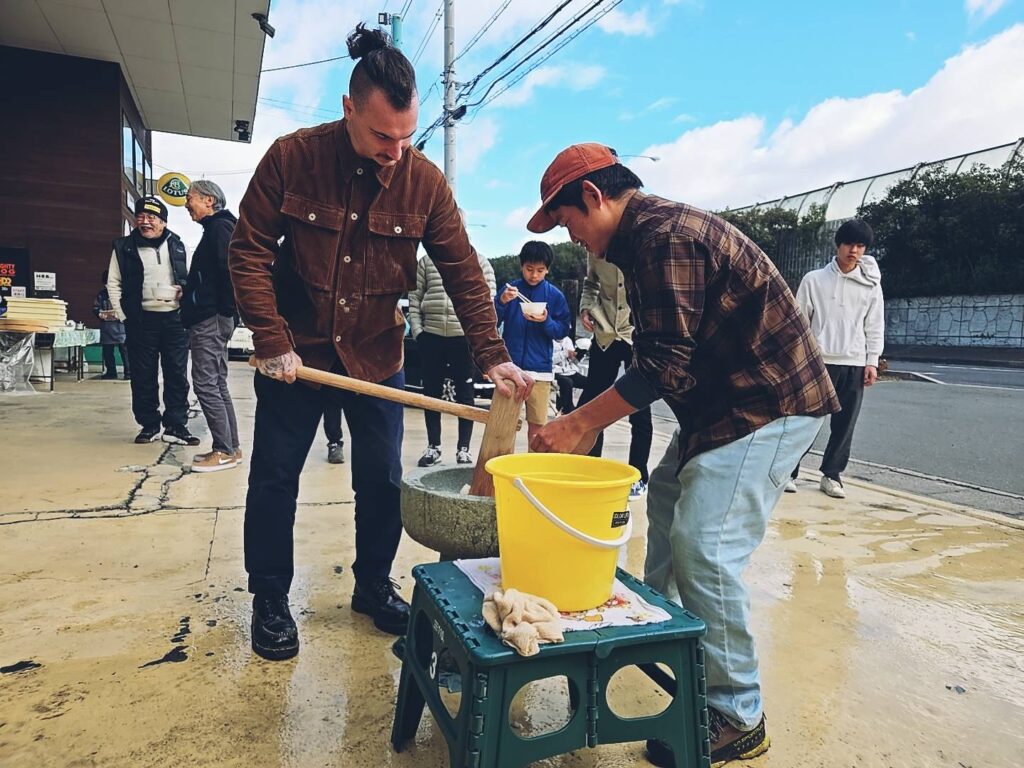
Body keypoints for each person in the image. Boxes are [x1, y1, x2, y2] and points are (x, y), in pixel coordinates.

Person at [525, 144, 839, 767]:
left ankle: (738, 714)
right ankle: (660, 637)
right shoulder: (644, 240)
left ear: (593, 196)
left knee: (705, 547)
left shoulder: (664, 238)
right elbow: (664, 356)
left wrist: (579, 423)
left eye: (568, 223)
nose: (574, 239)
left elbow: (664, 366)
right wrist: (585, 423)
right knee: (666, 502)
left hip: (766, 404)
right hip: (720, 408)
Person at [228, 24, 530, 661]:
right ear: (348, 109)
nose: (395, 150)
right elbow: (248, 250)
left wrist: (493, 355)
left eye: (405, 136)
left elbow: (463, 272)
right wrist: (272, 338)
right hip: (297, 356)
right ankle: (270, 597)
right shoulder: (292, 157)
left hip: (377, 354)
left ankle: (372, 585)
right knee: (275, 477)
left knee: (382, 480)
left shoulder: (425, 183)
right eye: (381, 136)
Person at [785, 219, 884, 498]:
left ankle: (831, 475)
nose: (854, 251)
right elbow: (800, 323)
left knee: (844, 424)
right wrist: (799, 360)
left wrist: (872, 360)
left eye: (861, 246)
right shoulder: (814, 279)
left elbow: (874, 323)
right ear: (837, 244)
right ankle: (789, 471)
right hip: (818, 362)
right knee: (804, 421)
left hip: (854, 362)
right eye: (849, 244)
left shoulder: (871, 284)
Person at [107, 196, 199, 446]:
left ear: (163, 222)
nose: (145, 221)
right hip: (140, 320)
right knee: (143, 375)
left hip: (174, 319)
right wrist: (124, 315)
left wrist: (184, 292)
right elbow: (113, 283)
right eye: (141, 216)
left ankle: (176, 425)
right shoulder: (123, 247)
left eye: (152, 217)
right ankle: (149, 424)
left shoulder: (177, 244)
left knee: (177, 373)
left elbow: (189, 279)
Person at [409, 230, 497, 467]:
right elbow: (414, 298)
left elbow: (487, 303)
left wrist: (478, 339)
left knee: (466, 395)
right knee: (431, 393)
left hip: (463, 338)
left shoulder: (481, 262)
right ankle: (433, 447)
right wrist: (418, 332)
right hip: (431, 336)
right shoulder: (425, 262)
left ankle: (464, 449)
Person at [578, 254, 653, 500]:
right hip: (605, 333)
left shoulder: (643, 246)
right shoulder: (595, 249)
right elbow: (591, 283)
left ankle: (638, 475)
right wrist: (586, 307)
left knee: (640, 409)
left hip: (637, 334)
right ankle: (589, 470)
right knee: (593, 404)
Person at [181, 180, 241, 473]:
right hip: (214, 315)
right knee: (217, 383)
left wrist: (223, 309)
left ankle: (223, 450)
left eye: (190, 197)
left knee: (206, 383)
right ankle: (231, 447)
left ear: (209, 200)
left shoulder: (219, 228)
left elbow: (229, 271)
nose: (186, 204)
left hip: (211, 318)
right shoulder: (219, 228)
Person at [494, 241, 571, 445]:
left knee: (537, 429)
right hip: (511, 368)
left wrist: (546, 321)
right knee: (503, 424)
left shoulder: (555, 296)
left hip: (541, 371)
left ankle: (532, 464)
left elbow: (562, 331)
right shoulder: (510, 291)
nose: (534, 275)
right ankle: (501, 462)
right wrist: (501, 302)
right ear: (521, 266)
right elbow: (492, 322)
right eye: (529, 269)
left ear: (547, 270)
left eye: (540, 270)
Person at [93, 270, 130, 380]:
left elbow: (129, 308)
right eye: (107, 284)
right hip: (106, 328)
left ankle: (128, 372)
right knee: (107, 352)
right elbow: (95, 308)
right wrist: (100, 314)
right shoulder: (101, 295)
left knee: (125, 351)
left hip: (121, 327)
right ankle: (111, 372)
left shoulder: (123, 293)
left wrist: (122, 314)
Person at [552, 336, 586, 414]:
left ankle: (581, 407)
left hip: (570, 370)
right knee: (567, 382)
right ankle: (567, 410)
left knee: (590, 382)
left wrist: (579, 354)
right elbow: (548, 360)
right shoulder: (547, 340)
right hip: (554, 372)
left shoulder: (567, 340)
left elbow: (574, 361)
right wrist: (564, 353)